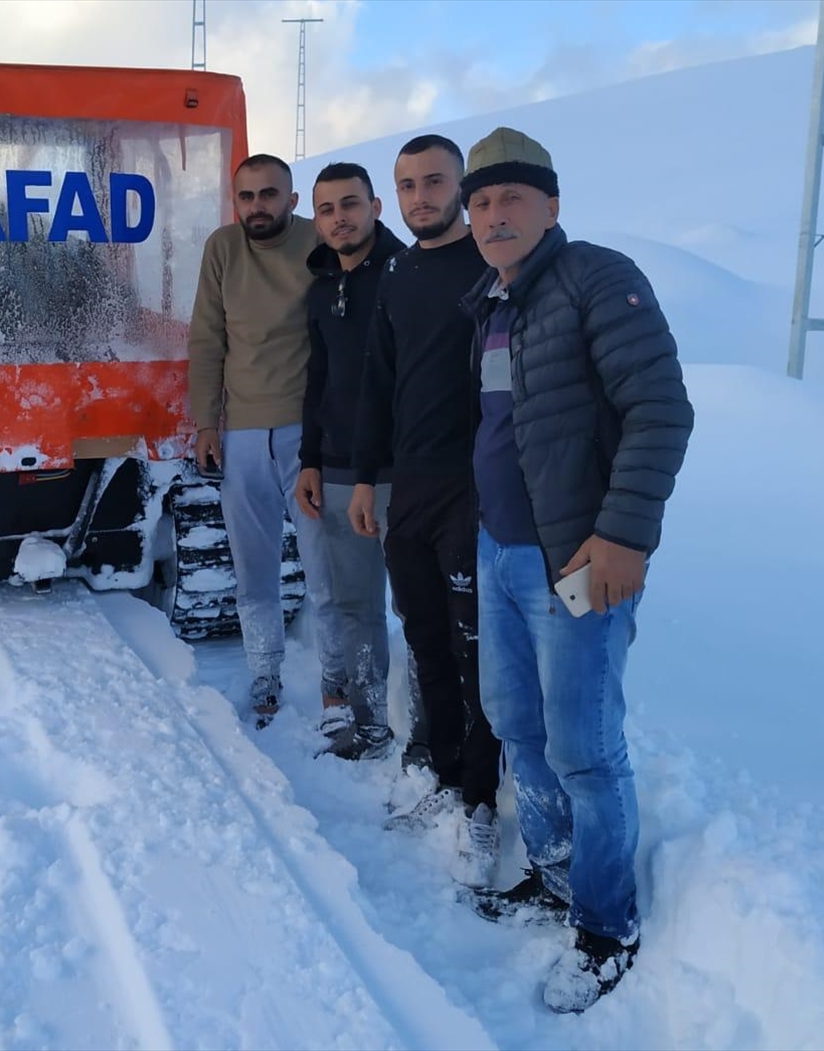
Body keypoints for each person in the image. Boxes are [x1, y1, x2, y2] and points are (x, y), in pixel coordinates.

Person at [457, 127, 694, 1012]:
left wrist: (625, 536)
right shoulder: (492, 301)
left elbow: (660, 411)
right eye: (480, 202)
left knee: (585, 750)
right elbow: (496, 432)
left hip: (578, 558)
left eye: (511, 198)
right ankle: (555, 874)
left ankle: (604, 924)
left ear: (552, 205)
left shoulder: (596, 277)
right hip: (499, 551)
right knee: (514, 720)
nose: (493, 214)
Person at [348, 134, 502, 886]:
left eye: (433, 182)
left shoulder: (493, 269)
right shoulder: (399, 273)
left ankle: (481, 799)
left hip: (475, 491)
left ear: (461, 187)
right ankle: (443, 774)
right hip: (409, 490)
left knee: (476, 653)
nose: (418, 198)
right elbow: (379, 383)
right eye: (406, 185)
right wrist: (368, 480)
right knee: (427, 642)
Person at [187, 154, 346, 727]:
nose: (258, 206)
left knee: (323, 568)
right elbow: (207, 339)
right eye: (247, 196)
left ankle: (336, 684)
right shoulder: (223, 248)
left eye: (270, 194)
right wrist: (207, 422)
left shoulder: (318, 243)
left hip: (309, 436)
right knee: (253, 570)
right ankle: (265, 674)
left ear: (293, 199)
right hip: (243, 436)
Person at [294, 162, 407, 760]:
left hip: (401, 473)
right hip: (336, 470)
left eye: (351, 204)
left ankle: (432, 739)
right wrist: (310, 459)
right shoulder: (319, 289)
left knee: (419, 612)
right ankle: (369, 725)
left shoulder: (406, 276)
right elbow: (318, 380)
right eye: (327, 209)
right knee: (354, 606)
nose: (340, 218)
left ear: (375, 207)